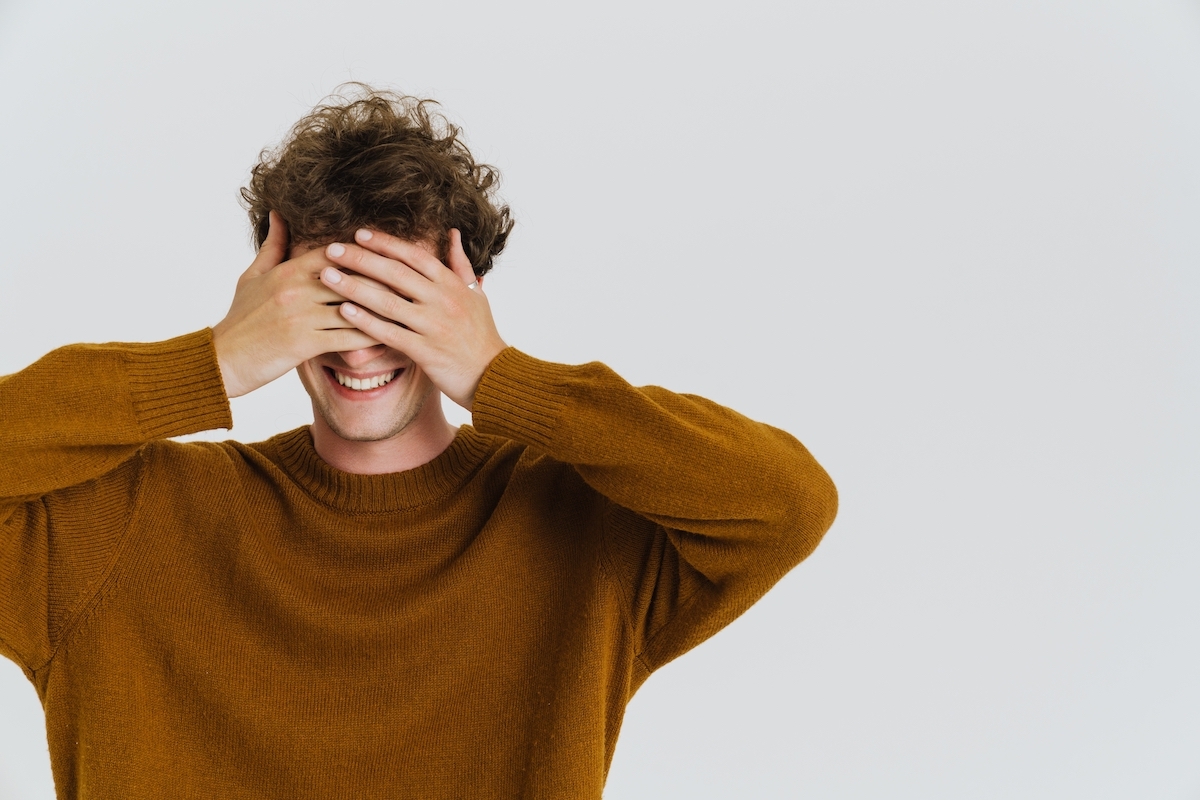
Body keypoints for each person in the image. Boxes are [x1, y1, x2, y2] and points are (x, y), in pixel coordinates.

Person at [0, 86, 838, 799]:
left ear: (465, 300)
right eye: (328, 302)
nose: (361, 345)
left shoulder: (581, 528)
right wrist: (211, 362)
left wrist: (502, 378)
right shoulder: (120, 529)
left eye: (400, 304)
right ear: (270, 303)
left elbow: (786, 503)